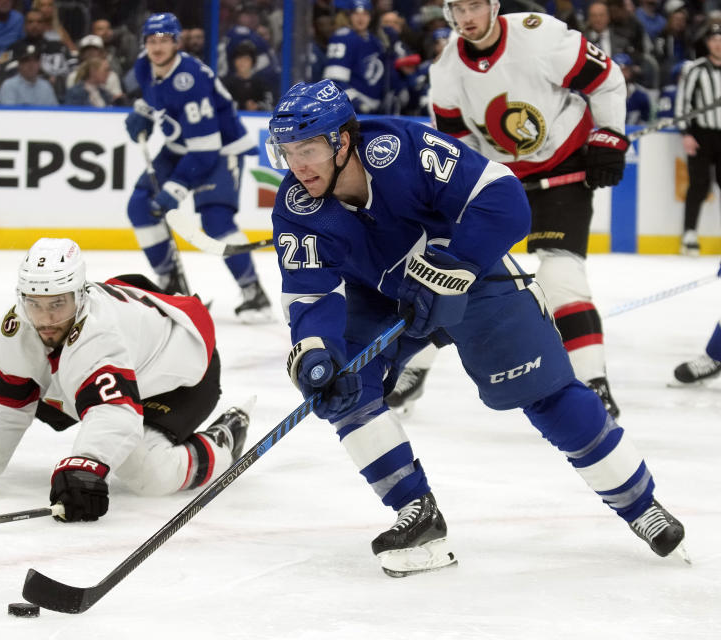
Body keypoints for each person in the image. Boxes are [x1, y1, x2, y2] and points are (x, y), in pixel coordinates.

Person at [265, 79, 686, 577]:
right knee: (345, 388)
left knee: (548, 392)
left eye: (309, 149)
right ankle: (416, 513)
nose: (298, 167)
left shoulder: (403, 149)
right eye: (288, 152)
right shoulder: (296, 207)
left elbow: (504, 198)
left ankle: (642, 506)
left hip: (473, 277)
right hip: (380, 297)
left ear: (343, 141)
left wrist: (458, 263)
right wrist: (317, 352)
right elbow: (311, 293)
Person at [0, 238, 252, 522]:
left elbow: (114, 414)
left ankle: (223, 441)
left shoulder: (100, 333)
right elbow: (10, 403)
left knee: (145, 474)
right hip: (101, 375)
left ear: (79, 296)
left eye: (57, 304)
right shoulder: (20, 325)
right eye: (35, 305)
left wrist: (85, 465)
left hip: (173, 378)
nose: (45, 319)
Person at [423, 0, 630, 418]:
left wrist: (609, 135)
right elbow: (457, 143)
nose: (467, 18)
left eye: (475, 6)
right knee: (449, 271)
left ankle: (593, 384)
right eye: (457, 9)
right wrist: (468, 188)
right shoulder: (445, 70)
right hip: (503, 183)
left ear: (494, 5)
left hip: (565, 166)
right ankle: (412, 369)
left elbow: (607, 80)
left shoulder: (541, 35)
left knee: (559, 274)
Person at [125, 13, 271, 322]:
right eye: (152, 40)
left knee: (216, 220)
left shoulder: (189, 79)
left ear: (177, 42)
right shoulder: (143, 65)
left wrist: (174, 189)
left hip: (219, 149)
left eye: (165, 40)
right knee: (140, 206)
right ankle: (170, 285)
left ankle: (253, 292)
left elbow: (205, 151)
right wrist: (145, 113)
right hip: (181, 145)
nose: (157, 46)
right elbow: (157, 99)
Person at [675, 23, 721, 257]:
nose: (718, 44)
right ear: (707, 43)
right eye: (714, 39)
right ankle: (690, 233)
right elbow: (683, 102)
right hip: (702, 135)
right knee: (698, 185)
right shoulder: (696, 69)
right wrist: (686, 133)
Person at [323, 0, 386, 114]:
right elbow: (334, 82)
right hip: (353, 109)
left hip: (376, 107)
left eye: (365, 14)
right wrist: (356, 102)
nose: (360, 18)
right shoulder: (343, 38)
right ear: (349, 16)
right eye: (356, 14)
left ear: (370, 17)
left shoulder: (375, 42)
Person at [222, 39, 273, 111]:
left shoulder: (261, 84)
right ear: (234, 61)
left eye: (246, 59)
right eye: (239, 58)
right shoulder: (226, 84)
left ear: (253, 62)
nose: (242, 62)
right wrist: (242, 105)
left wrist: (258, 106)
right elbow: (221, 105)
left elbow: (270, 106)